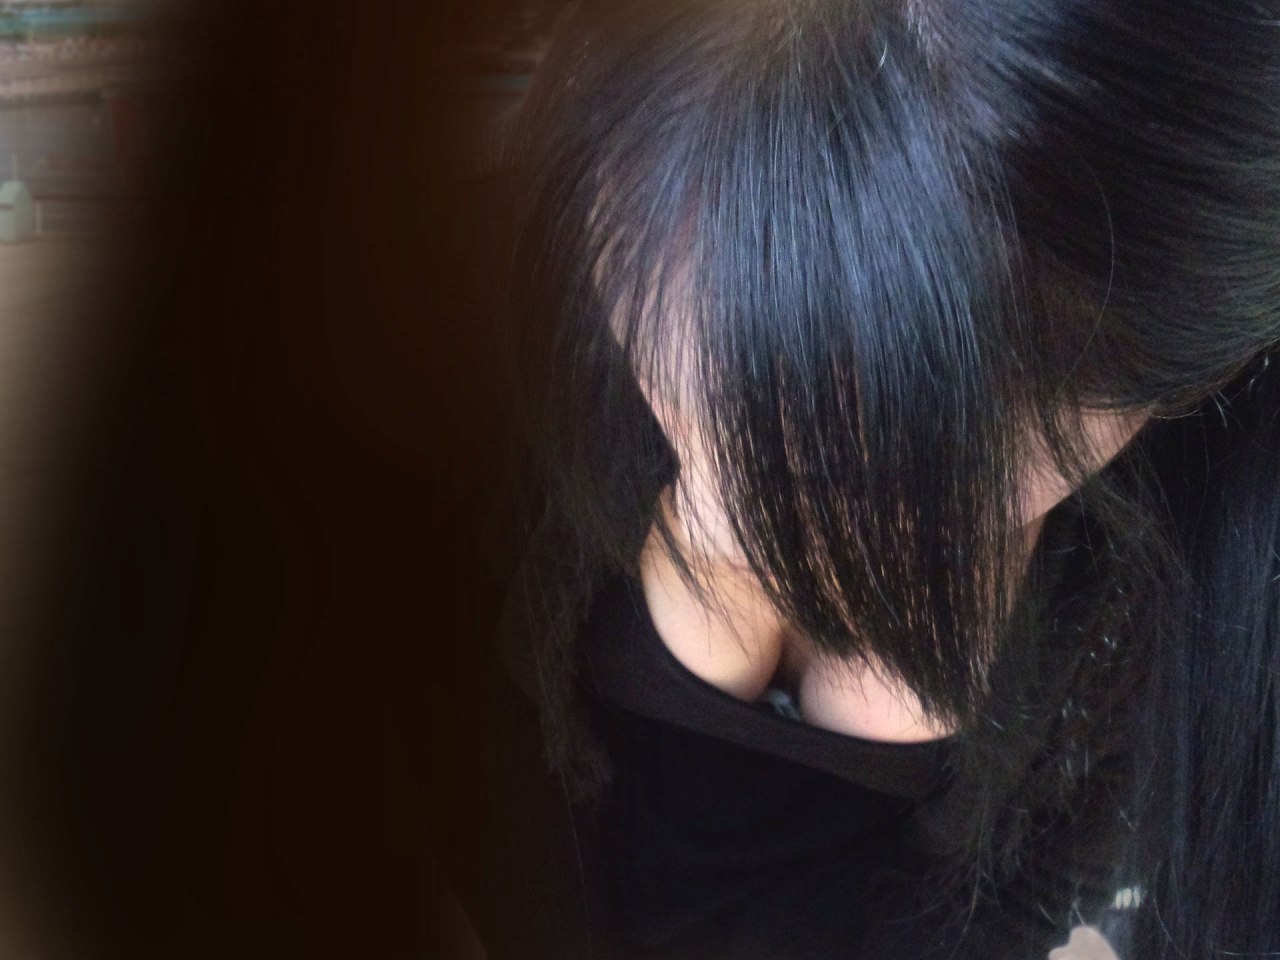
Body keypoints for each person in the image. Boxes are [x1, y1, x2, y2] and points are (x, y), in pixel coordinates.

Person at [488, 1, 1280, 958]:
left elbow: (1016, 908)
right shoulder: (459, 355)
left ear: (1184, 380)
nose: (789, 505)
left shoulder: (1169, 597)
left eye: (913, 491)